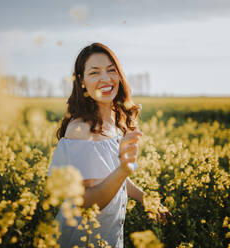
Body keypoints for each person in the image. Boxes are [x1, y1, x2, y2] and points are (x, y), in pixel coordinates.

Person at [47, 42, 171, 247]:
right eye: (95, 72)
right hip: (80, 239)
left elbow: (110, 178)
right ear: (82, 81)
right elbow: (85, 201)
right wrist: (123, 170)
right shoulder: (80, 130)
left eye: (111, 70)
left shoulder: (117, 120)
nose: (106, 79)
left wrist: (146, 199)